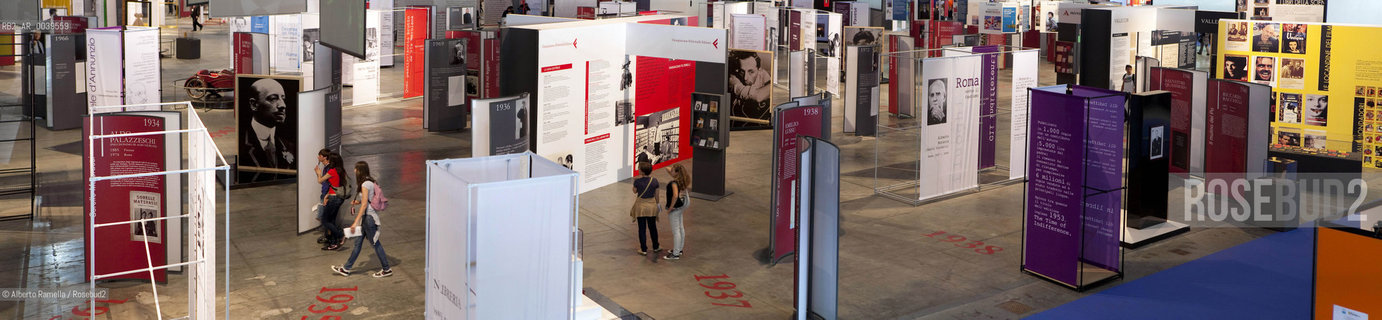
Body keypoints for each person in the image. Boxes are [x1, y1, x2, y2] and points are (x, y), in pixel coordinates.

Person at [332, 161, 394, 278]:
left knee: (375, 244)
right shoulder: (370, 181)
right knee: (357, 244)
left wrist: (355, 222)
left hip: (368, 218)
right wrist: (358, 202)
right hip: (368, 217)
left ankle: (386, 269)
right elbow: (368, 200)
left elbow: (365, 205)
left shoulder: (365, 184)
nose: (354, 171)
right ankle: (346, 268)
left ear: (359, 170)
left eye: (356, 169)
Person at [240, 78, 296, 170]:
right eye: (273, 99)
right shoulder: (241, 144)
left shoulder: (289, 146)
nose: (283, 105)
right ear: (254, 104)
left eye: (283, 98)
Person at [315, 150, 346, 248]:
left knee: (325, 220)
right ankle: (333, 242)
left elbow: (320, 180)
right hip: (338, 197)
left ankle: (341, 235)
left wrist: (318, 173)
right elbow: (335, 185)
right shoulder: (341, 170)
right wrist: (327, 195)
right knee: (331, 220)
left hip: (333, 198)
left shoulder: (332, 171)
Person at [630, 161, 661, 256]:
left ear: (642, 172)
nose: (638, 170)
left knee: (642, 228)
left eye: (639, 169)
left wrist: (634, 187)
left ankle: (643, 249)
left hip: (641, 207)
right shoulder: (654, 181)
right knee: (653, 228)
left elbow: (635, 191)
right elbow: (657, 194)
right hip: (651, 206)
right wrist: (658, 204)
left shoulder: (637, 181)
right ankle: (656, 247)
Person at [730, 51, 771, 120]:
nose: (745, 78)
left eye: (751, 72)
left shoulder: (763, 74)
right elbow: (758, 96)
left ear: (759, 70)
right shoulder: (732, 78)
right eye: (742, 71)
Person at [662, 163, 691, 260]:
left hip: (676, 207)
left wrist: (670, 208)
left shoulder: (674, 183)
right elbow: (667, 168)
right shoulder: (682, 180)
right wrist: (675, 170)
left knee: (676, 231)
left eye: (673, 170)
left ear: (677, 172)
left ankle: (675, 254)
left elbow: (674, 196)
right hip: (684, 203)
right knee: (680, 227)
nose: (671, 171)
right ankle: (679, 249)